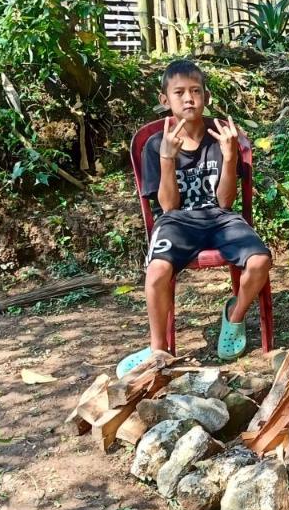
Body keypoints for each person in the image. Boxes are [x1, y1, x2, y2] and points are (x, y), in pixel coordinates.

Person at [116, 59, 272, 376]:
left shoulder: (221, 137)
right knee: (157, 271)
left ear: (206, 96)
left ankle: (235, 314)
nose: (189, 99)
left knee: (259, 261)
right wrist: (167, 160)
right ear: (165, 100)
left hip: (219, 218)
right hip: (177, 223)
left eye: (196, 91)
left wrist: (230, 157)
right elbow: (169, 208)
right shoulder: (155, 144)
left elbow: (225, 202)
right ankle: (158, 349)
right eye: (180, 92)